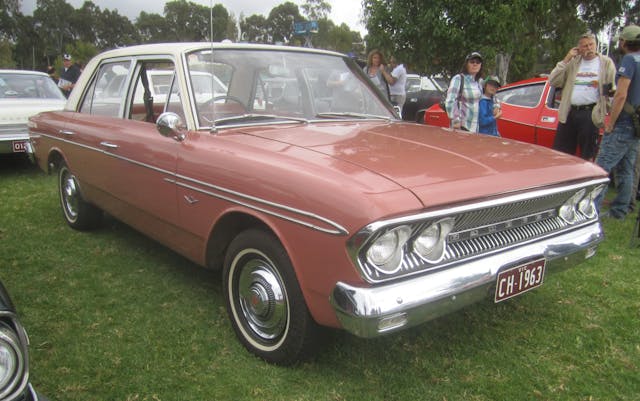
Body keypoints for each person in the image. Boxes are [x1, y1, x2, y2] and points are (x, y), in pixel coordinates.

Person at [594, 25, 640, 219]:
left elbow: (621, 95)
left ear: (624, 42)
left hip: (624, 122)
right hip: (637, 124)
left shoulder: (629, 60)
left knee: (602, 168)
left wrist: (611, 122)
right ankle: (620, 210)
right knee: (626, 168)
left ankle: (592, 212)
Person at [548, 33, 616, 160]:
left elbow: (611, 89)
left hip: (590, 113)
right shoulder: (573, 63)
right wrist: (566, 59)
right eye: (585, 46)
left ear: (596, 45)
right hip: (570, 112)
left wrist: (608, 113)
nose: (589, 48)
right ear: (578, 48)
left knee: (588, 154)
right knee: (561, 154)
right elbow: (553, 81)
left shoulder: (605, 63)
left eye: (591, 45)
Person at [444, 52, 484, 132]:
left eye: (478, 62)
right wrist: (456, 120)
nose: (475, 64)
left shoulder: (479, 82)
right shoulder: (459, 79)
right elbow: (450, 101)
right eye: (472, 62)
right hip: (461, 127)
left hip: (475, 127)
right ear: (466, 64)